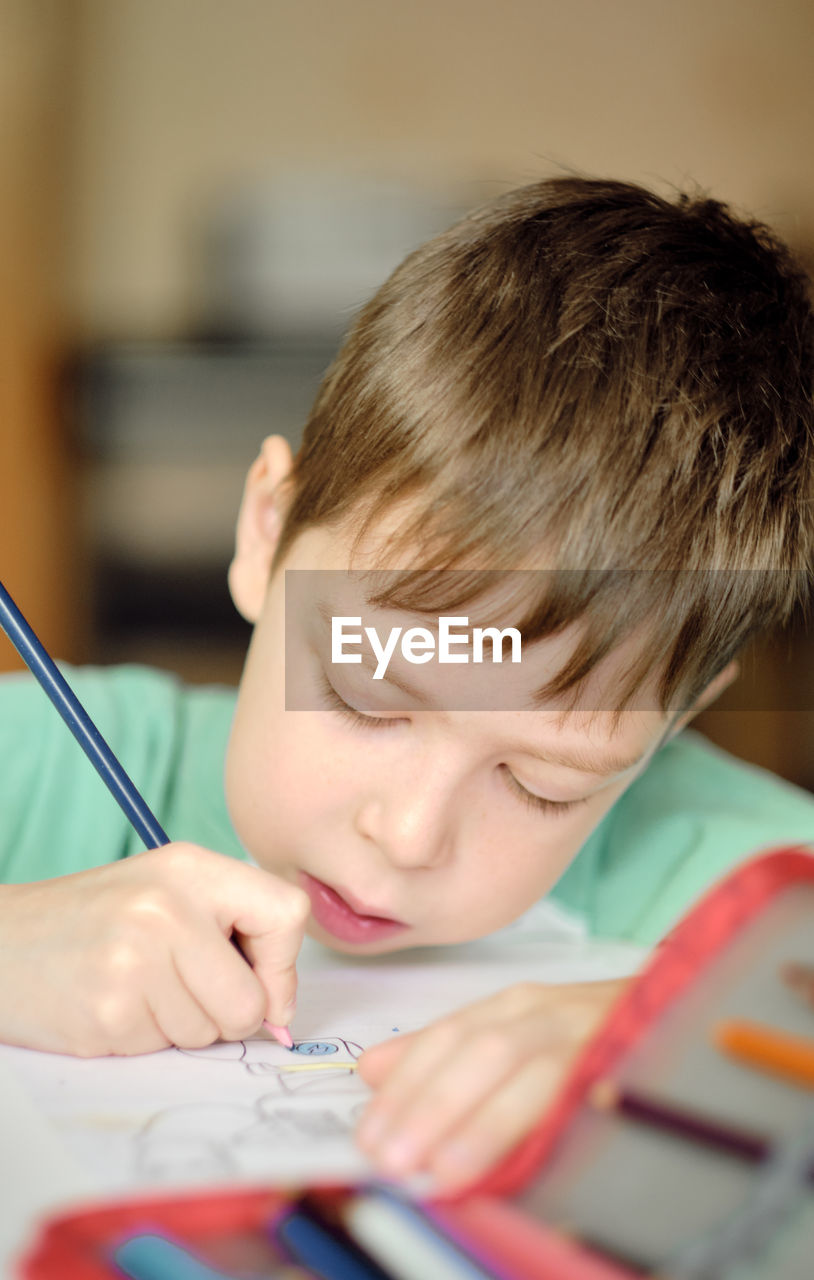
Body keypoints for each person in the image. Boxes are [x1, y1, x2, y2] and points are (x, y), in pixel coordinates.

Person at [1, 176, 813, 1194]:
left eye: (541, 784)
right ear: (266, 532)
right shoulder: (40, 766)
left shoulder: (707, 859)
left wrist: (668, 1021)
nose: (410, 833)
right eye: (365, 697)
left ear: (678, 712)